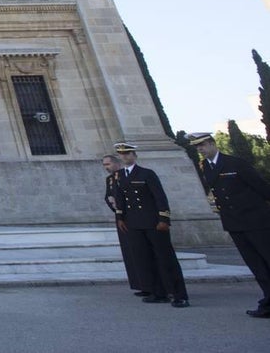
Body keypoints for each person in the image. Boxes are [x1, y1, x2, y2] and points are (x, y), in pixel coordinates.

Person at [188, 131, 270, 317]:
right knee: (256, 264)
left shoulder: (235, 163)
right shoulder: (206, 167)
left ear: (212, 144)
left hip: (256, 220)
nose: (200, 149)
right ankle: (268, 299)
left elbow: (261, 187)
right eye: (197, 147)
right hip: (234, 223)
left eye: (203, 145)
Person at [112, 142, 189, 308]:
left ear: (134, 156)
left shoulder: (147, 174)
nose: (125, 157)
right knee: (144, 259)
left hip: (152, 222)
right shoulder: (120, 176)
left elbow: (159, 197)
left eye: (128, 154)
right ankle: (157, 292)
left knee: (165, 258)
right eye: (122, 154)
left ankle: (178, 294)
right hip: (133, 223)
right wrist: (120, 217)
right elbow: (120, 199)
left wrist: (164, 219)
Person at [102, 153, 144, 296]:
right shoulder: (110, 180)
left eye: (108, 164)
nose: (106, 168)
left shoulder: (127, 176)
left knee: (140, 251)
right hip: (121, 218)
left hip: (134, 217)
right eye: (104, 165)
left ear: (116, 163)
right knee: (130, 252)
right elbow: (108, 195)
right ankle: (141, 284)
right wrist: (112, 203)